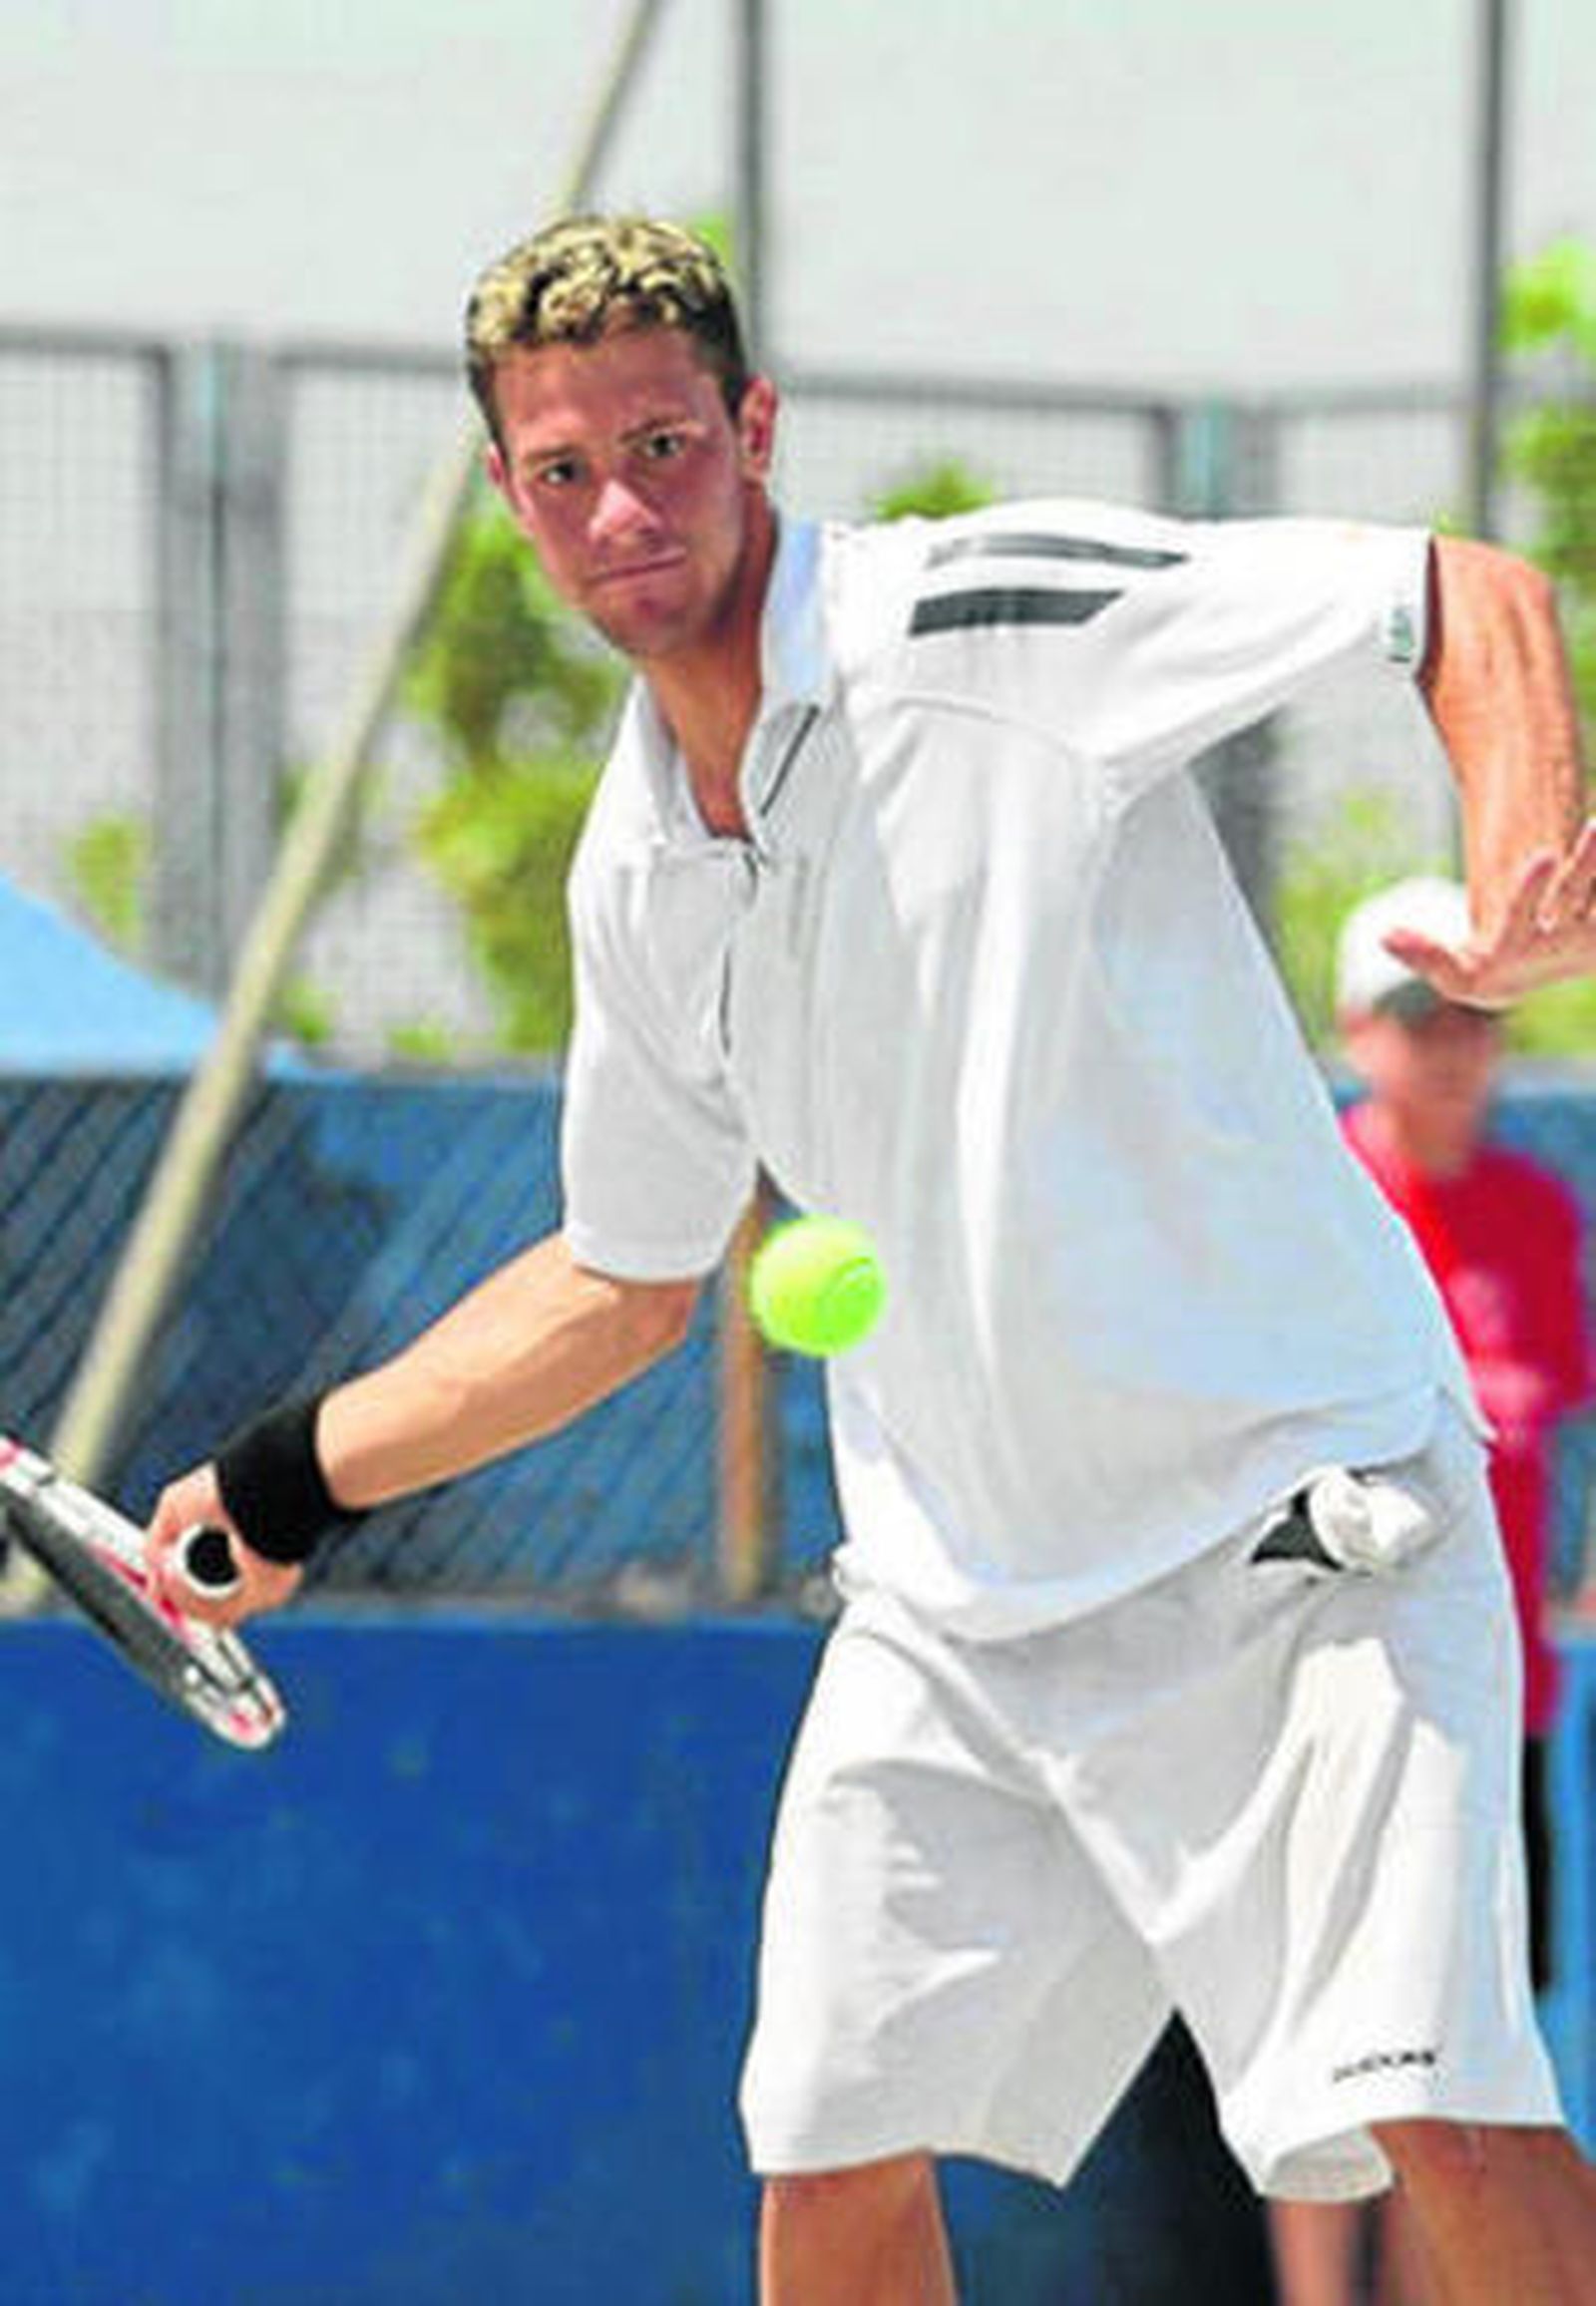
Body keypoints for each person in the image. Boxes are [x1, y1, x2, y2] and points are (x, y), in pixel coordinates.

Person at [147, 215, 1596, 2305]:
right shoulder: (637, 870)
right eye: (563, 473)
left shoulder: (986, 623)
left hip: (1303, 1535)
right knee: (823, 2147)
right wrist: (294, 1478)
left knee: (1442, 2101)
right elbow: (622, 1281)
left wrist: (1515, 855)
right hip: (963, 1602)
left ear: (751, 428)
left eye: (660, 445)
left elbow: (1454, 592)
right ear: (509, 497)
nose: (620, 508)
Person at [1271, 877, 1596, 2306]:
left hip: (1498, 1699)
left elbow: (1562, 1423)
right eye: (1419, 1017)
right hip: (1323, 1694)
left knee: (1458, 2050)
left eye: (1473, 1016)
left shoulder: (1534, 1213)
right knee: (1314, 2042)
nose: (1451, 1046)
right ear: (1356, 1032)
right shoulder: (1313, 1206)